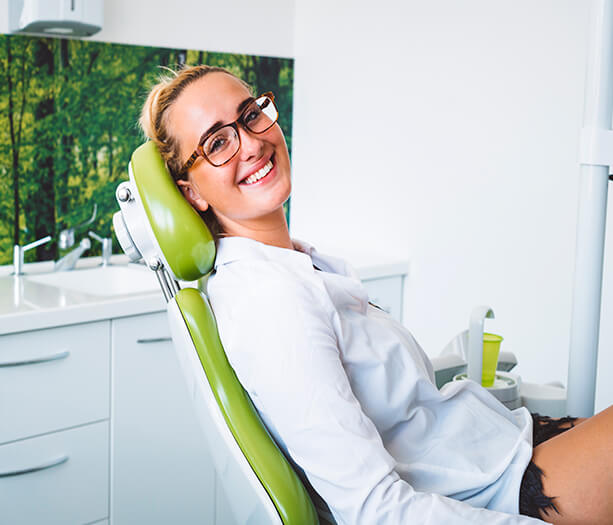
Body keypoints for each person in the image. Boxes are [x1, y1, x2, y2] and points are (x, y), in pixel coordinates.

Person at [139, 64, 613, 525]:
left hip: (499, 448)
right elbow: (375, 511)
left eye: (250, 115)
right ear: (192, 192)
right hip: (499, 492)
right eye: (217, 142)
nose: (252, 142)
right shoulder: (270, 304)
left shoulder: (295, 265)